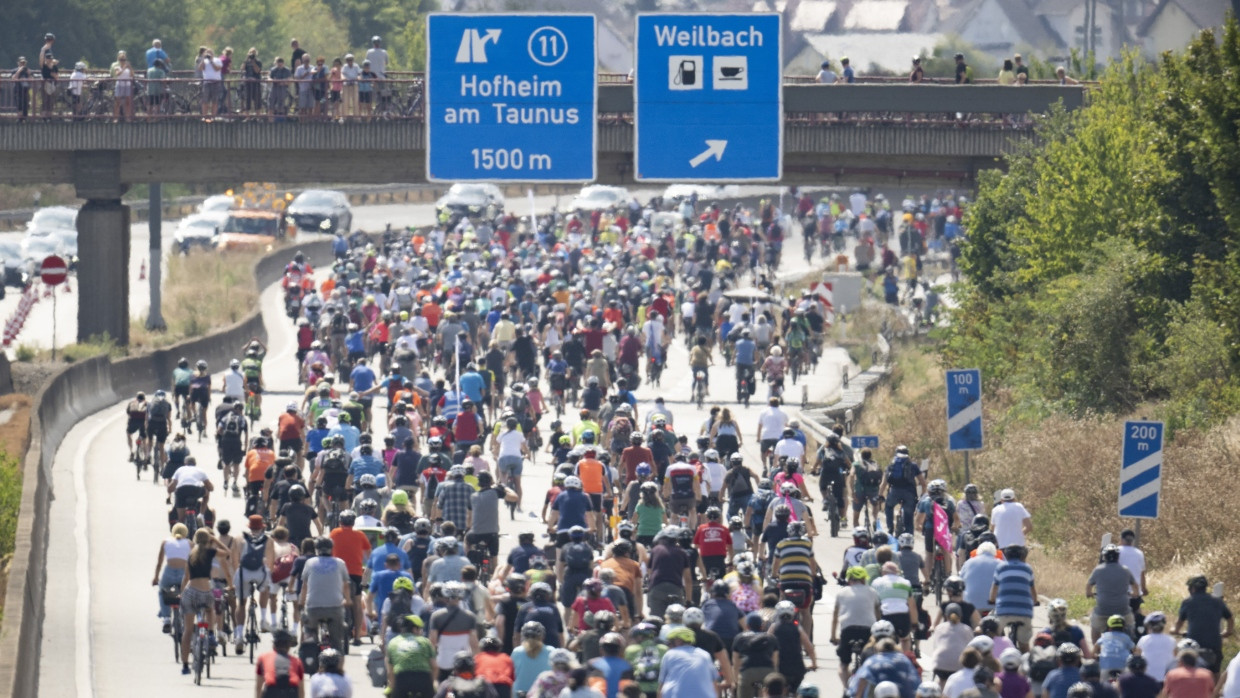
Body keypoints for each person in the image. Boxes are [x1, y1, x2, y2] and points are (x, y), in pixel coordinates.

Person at [181, 528, 234, 674]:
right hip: (205, 591)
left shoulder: (190, 554)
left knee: (188, 630)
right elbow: (227, 553)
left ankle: (185, 665)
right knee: (210, 609)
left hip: (190, 591)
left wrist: (181, 594)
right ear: (208, 540)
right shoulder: (210, 552)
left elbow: (185, 578)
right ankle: (211, 633)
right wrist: (215, 540)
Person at [299, 537, 351, 653]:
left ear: (316, 549)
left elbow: (304, 586)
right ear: (331, 549)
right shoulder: (340, 563)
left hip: (313, 607)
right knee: (337, 642)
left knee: (309, 630)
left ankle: (311, 646)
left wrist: (301, 603)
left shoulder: (310, 563)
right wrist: (347, 600)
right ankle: (338, 664)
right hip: (335, 607)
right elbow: (346, 585)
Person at [1173, 575, 1233, 673]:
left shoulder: (1188, 602)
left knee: (1190, 670)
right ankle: (1214, 687)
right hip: (1214, 643)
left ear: (1192, 588)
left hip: (1193, 645)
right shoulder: (1217, 601)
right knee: (1215, 671)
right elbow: (1230, 618)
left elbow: (1179, 623)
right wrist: (1227, 632)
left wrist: (1175, 631)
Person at [832, 566, 881, 683]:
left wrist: (833, 636)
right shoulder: (872, 592)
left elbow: (834, 617)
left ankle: (848, 690)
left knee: (843, 665)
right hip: (868, 630)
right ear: (864, 579)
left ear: (849, 580)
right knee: (870, 662)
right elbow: (878, 613)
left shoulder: (841, 593)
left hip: (847, 630)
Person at [989, 545, 1037, 651]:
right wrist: (1035, 601)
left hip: (1004, 611)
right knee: (1024, 644)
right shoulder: (1027, 569)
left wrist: (992, 600)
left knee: (995, 636)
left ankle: (999, 651)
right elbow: (1033, 590)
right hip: (1024, 612)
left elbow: (994, 588)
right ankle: (1025, 660)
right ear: (1021, 556)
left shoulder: (1001, 567)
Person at [1086, 544, 1138, 641]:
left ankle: (1096, 649)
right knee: (1130, 624)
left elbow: (1089, 585)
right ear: (1118, 557)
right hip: (1122, 609)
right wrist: (1135, 594)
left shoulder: (1098, 570)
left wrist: (1089, 594)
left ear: (1104, 557)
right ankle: (1130, 643)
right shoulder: (1125, 570)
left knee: (1095, 627)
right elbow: (1135, 585)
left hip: (1103, 609)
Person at [429, 582, 479, 681]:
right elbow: (474, 644)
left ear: (445, 596)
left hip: (443, 661)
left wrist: (431, 663)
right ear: (460, 597)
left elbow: (432, 642)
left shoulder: (436, 616)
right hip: (463, 662)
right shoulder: (470, 617)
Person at [658, 626, 718, 698]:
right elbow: (714, 683)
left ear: (678, 641)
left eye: (670, 643)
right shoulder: (704, 655)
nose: (668, 646)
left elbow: (661, 685)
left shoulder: (669, 655)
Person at [153, 523, 191, 633]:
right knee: (187, 592)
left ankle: (166, 619)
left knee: (162, 591)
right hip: (183, 573)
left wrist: (156, 578)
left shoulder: (166, 542)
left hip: (169, 572)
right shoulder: (189, 544)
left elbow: (159, 563)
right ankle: (186, 615)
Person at [386, 614, 435, 698]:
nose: (421, 632)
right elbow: (435, 666)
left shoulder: (393, 642)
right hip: (423, 678)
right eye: (420, 629)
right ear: (415, 629)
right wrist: (432, 684)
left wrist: (391, 688)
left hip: (401, 678)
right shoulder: (425, 642)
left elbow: (390, 671)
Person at [929, 603, 974, 684]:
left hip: (940, 664)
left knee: (942, 682)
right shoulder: (967, 629)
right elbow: (971, 647)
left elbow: (935, 646)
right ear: (961, 616)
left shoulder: (939, 628)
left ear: (945, 616)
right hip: (958, 665)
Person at [254, 629, 305, 697]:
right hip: (291, 691)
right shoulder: (297, 661)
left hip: (272, 691)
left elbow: (258, 687)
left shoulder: (263, 658)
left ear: (274, 645)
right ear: (289, 646)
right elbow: (301, 689)